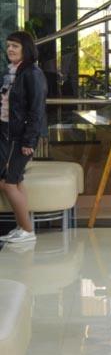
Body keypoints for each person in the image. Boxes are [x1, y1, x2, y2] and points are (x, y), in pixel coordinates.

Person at [0, 31, 47, 244]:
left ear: (25, 50)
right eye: (9, 45)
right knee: (15, 181)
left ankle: (27, 231)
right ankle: (23, 227)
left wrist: (29, 141)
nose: (10, 49)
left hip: (19, 137)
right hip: (8, 134)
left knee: (8, 183)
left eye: (15, 46)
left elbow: (37, 110)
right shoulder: (12, 73)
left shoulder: (32, 73)